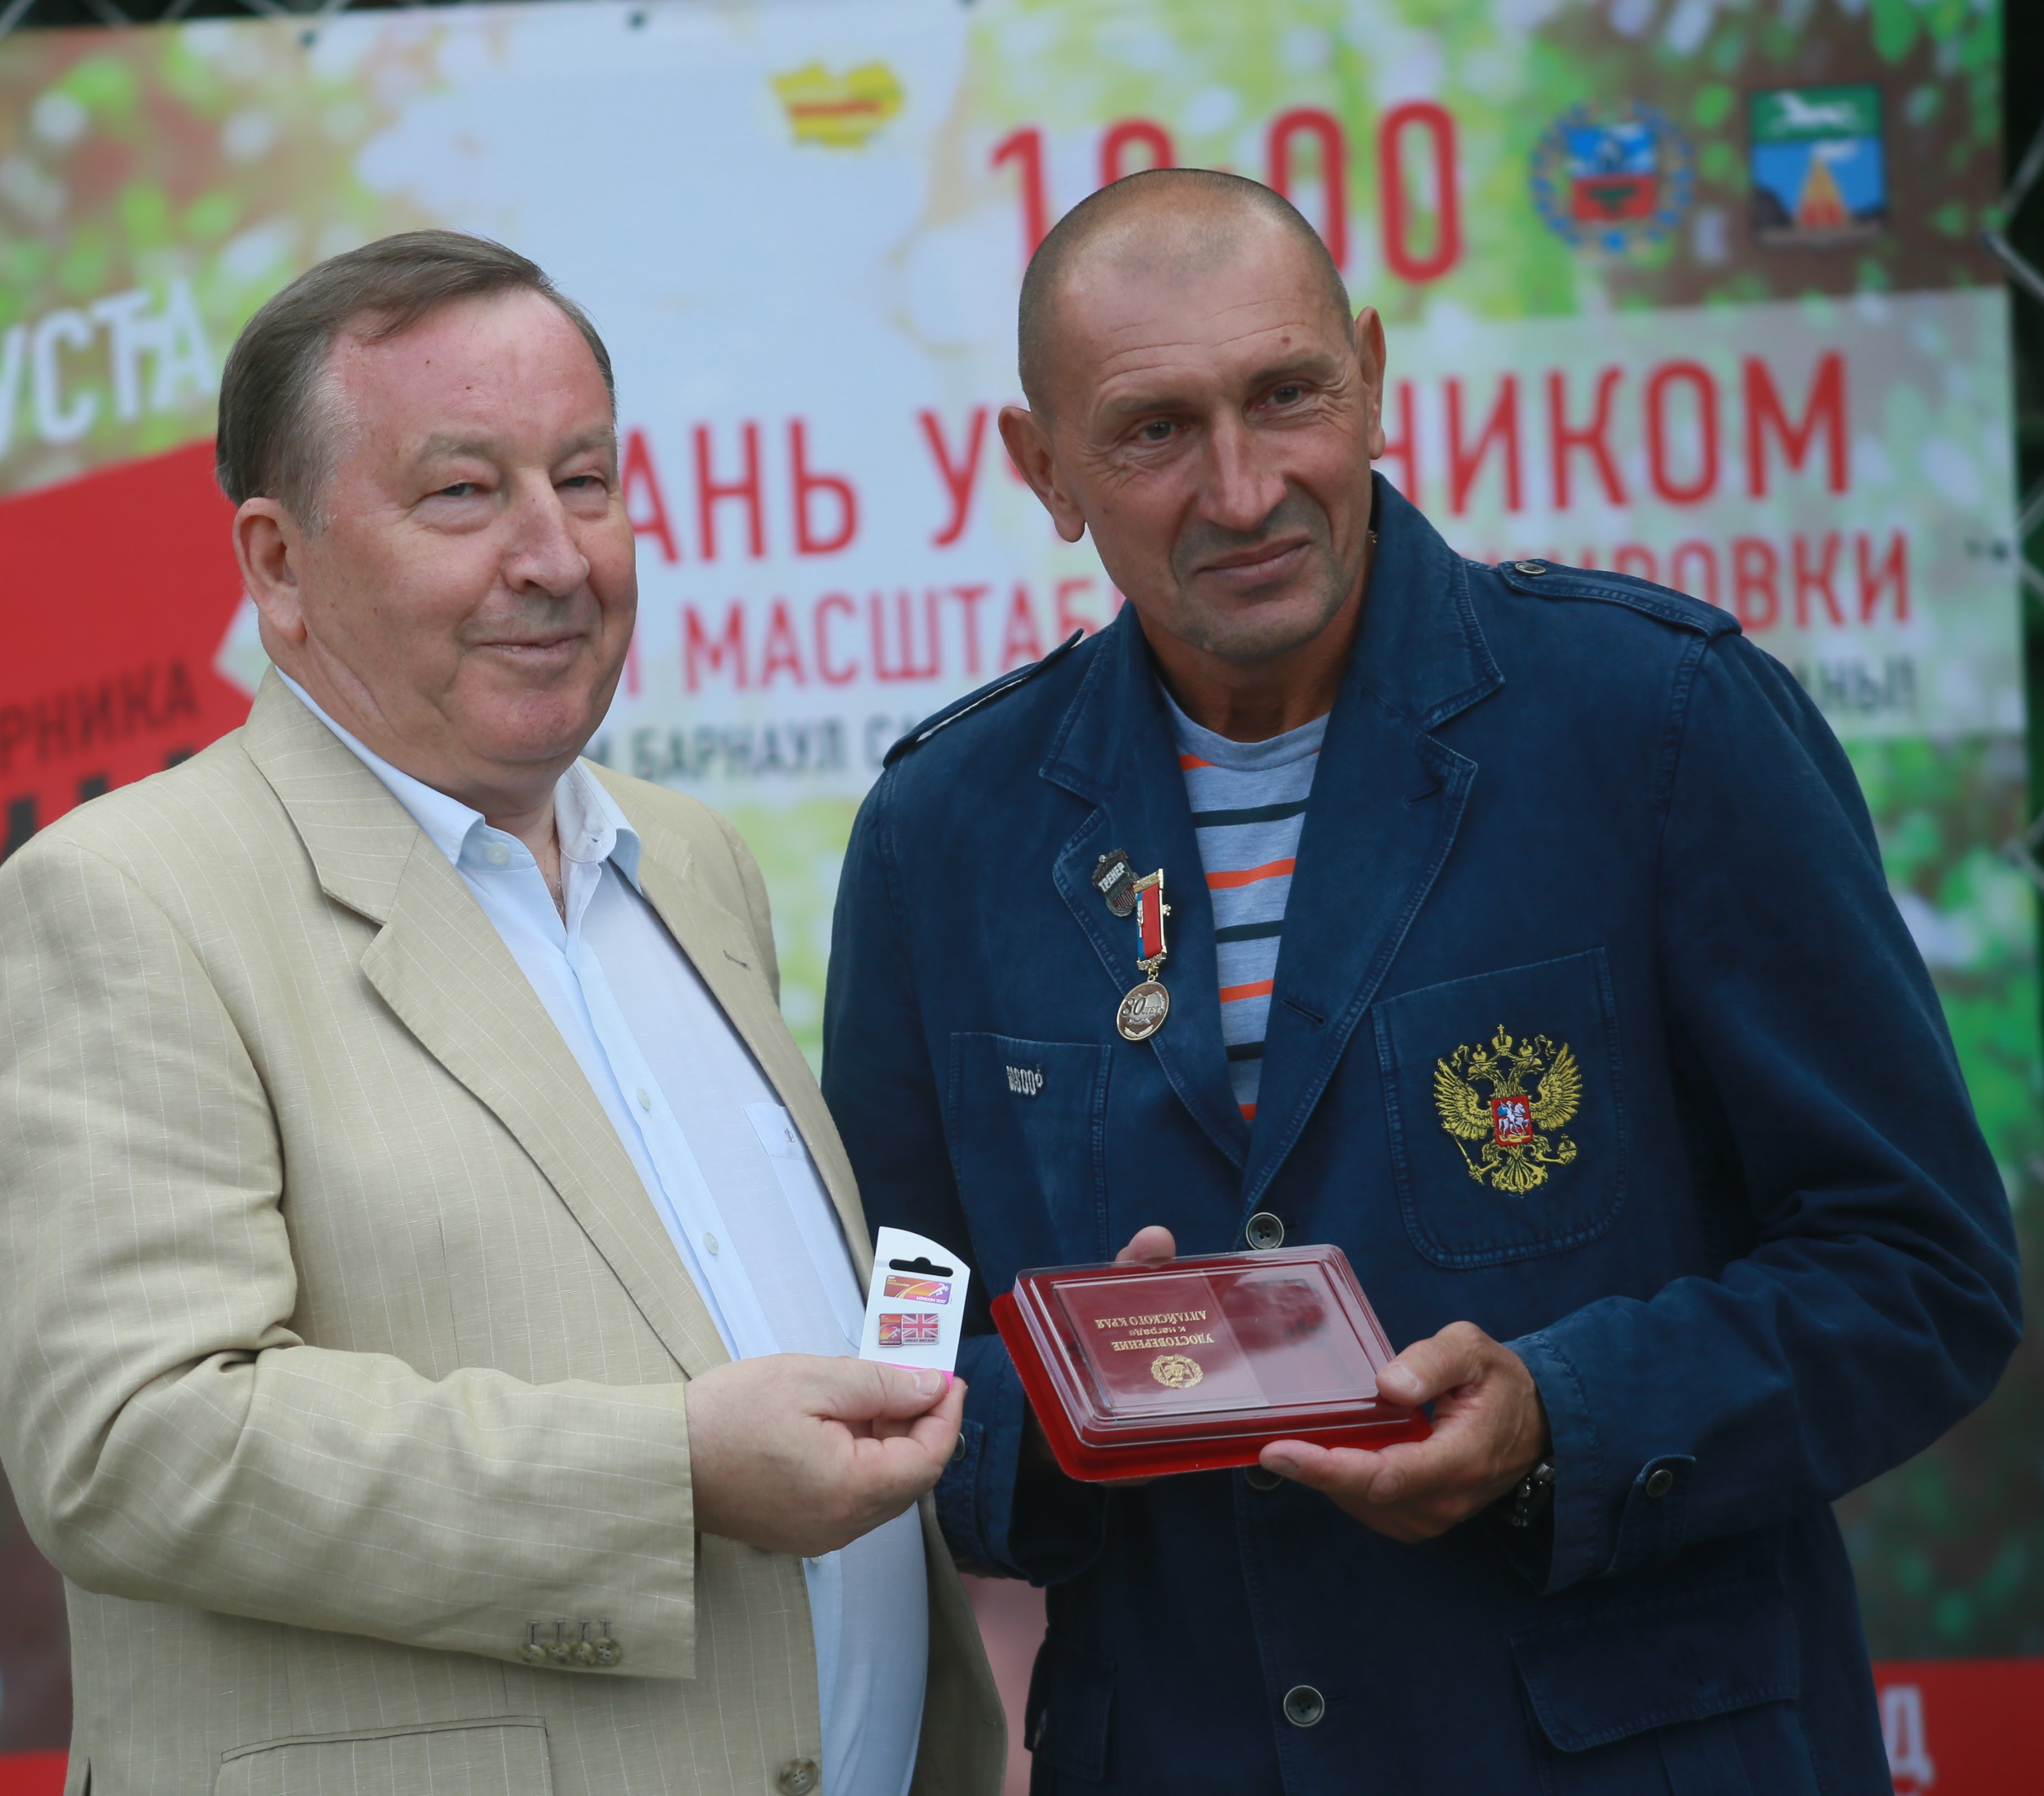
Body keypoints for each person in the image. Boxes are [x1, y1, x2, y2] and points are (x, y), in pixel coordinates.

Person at [824, 169, 2020, 1791]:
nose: (1244, 487)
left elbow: (1920, 1269)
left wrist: (1559, 1414)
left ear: (1372, 379)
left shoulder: (1661, 724)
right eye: (1155, 431)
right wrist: (1071, 1401)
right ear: (1044, 470)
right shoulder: (942, 833)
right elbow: (898, 1346)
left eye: (1287, 395)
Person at [0, 232, 1003, 1796]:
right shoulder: (119, 902)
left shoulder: (690, 861)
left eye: (584, 480)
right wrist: (673, 1474)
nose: (555, 556)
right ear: (278, 564)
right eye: (462, 493)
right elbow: (135, 1445)